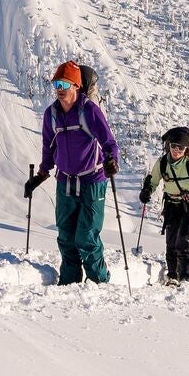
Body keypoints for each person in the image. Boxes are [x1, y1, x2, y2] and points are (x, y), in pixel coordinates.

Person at [23, 60, 118, 285]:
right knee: (66, 236)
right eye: (57, 83)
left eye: (64, 83)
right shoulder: (51, 114)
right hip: (65, 181)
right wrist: (41, 175)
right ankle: (69, 283)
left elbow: (109, 142)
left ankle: (99, 283)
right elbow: (48, 146)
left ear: (76, 86)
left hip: (93, 180)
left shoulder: (89, 111)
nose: (59, 88)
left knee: (86, 236)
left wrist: (112, 160)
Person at [138, 125, 189, 283]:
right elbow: (153, 179)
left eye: (180, 147)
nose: (176, 150)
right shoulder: (163, 162)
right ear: (168, 146)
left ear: (186, 149)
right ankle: (173, 275)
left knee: (186, 240)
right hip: (172, 204)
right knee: (171, 241)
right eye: (173, 146)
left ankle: (188, 276)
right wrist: (147, 191)